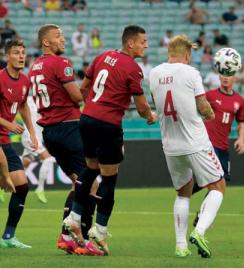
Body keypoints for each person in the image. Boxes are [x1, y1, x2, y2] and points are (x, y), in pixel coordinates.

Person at [63, 25, 157, 256]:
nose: (146, 45)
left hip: (87, 119)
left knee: (90, 169)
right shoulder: (133, 68)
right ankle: (100, 232)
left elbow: (84, 88)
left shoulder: (102, 56)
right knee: (109, 178)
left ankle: (74, 218)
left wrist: (87, 110)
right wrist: (150, 117)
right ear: (130, 43)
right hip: (108, 124)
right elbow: (142, 105)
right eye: (143, 41)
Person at [149, 34, 225, 258]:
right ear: (187, 55)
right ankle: (199, 231)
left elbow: (160, 104)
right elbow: (203, 107)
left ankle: (180, 245)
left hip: (170, 144)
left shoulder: (154, 73)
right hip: (195, 142)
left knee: (183, 193)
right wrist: (211, 114)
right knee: (218, 186)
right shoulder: (191, 73)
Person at [28, 24, 101, 255]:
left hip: (50, 133)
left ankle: (65, 237)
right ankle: (82, 239)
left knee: (77, 182)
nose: (63, 39)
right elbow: (77, 97)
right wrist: (92, 82)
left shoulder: (35, 66)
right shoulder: (61, 63)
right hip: (69, 127)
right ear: (46, 42)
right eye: (58, 36)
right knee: (92, 183)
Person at [0, 40, 38, 249]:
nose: (21, 56)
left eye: (23, 52)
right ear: (8, 57)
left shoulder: (25, 81)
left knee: (21, 187)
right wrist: (8, 123)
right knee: (7, 180)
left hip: (4, 140)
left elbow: (23, 106)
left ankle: (8, 237)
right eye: (16, 52)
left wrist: (32, 133)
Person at [21, 95, 55, 204]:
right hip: (30, 137)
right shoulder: (28, 99)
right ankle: (40, 189)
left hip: (37, 138)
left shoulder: (46, 102)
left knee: (25, 162)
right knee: (48, 159)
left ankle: (1, 186)